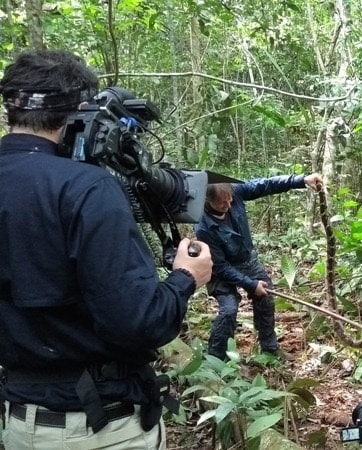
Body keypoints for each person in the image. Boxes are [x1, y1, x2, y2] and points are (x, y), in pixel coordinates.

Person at [0, 50, 212, 449]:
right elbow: (138, 322)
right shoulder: (86, 188)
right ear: (80, 112)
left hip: (19, 423)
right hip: (98, 428)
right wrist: (186, 278)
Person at [195, 173, 323, 360]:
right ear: (208, 201)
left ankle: (269, 350)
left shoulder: (236, 191)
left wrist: (301, 180)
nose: (228, 206)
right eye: (222, 204)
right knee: (229, 310)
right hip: (220, 270)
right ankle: (216, 359)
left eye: (230, 200)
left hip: (246, 259)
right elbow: (220, 266)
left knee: (265, 297)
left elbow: (266, 184)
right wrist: (250, 284)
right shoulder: (203, 227)